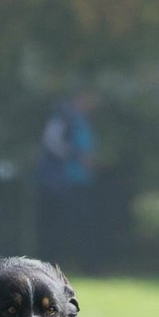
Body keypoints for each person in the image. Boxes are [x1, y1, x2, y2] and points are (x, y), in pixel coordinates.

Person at [35, 89, 97, 268]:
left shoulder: (82, 121)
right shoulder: (63, 119)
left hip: (79, 181)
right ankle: (52, 262)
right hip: (61, 184)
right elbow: (52, 144)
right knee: (57, 224)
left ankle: (77, 261)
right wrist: (75, 154)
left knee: (78, 223)